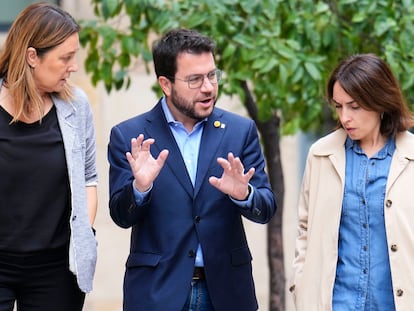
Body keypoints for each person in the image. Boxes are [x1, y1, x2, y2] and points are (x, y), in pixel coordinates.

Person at [108, 28, 276, 311]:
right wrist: (140, 189)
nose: (209, 87)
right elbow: (121, 216)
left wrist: (244, 194)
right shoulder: (130, 136)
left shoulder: (240, 130)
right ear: (166, 83)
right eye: (195, 79)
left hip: (226, 292)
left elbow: (266, 207)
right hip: (157, 293)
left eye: (212, 75)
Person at [289, 53, 414, 310]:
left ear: (380, 102)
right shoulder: (321, 154)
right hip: (335, 304)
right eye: (338, 106)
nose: (345, 117)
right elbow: (305, 230)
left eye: (354, 106)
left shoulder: (411, 156)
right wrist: (300, 285)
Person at [0, 3, 98, 311]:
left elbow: (88, 178)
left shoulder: (76, 105)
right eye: (66, 57)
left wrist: (86, 232)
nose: (74, 67)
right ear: (32, 57)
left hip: (56, 269)